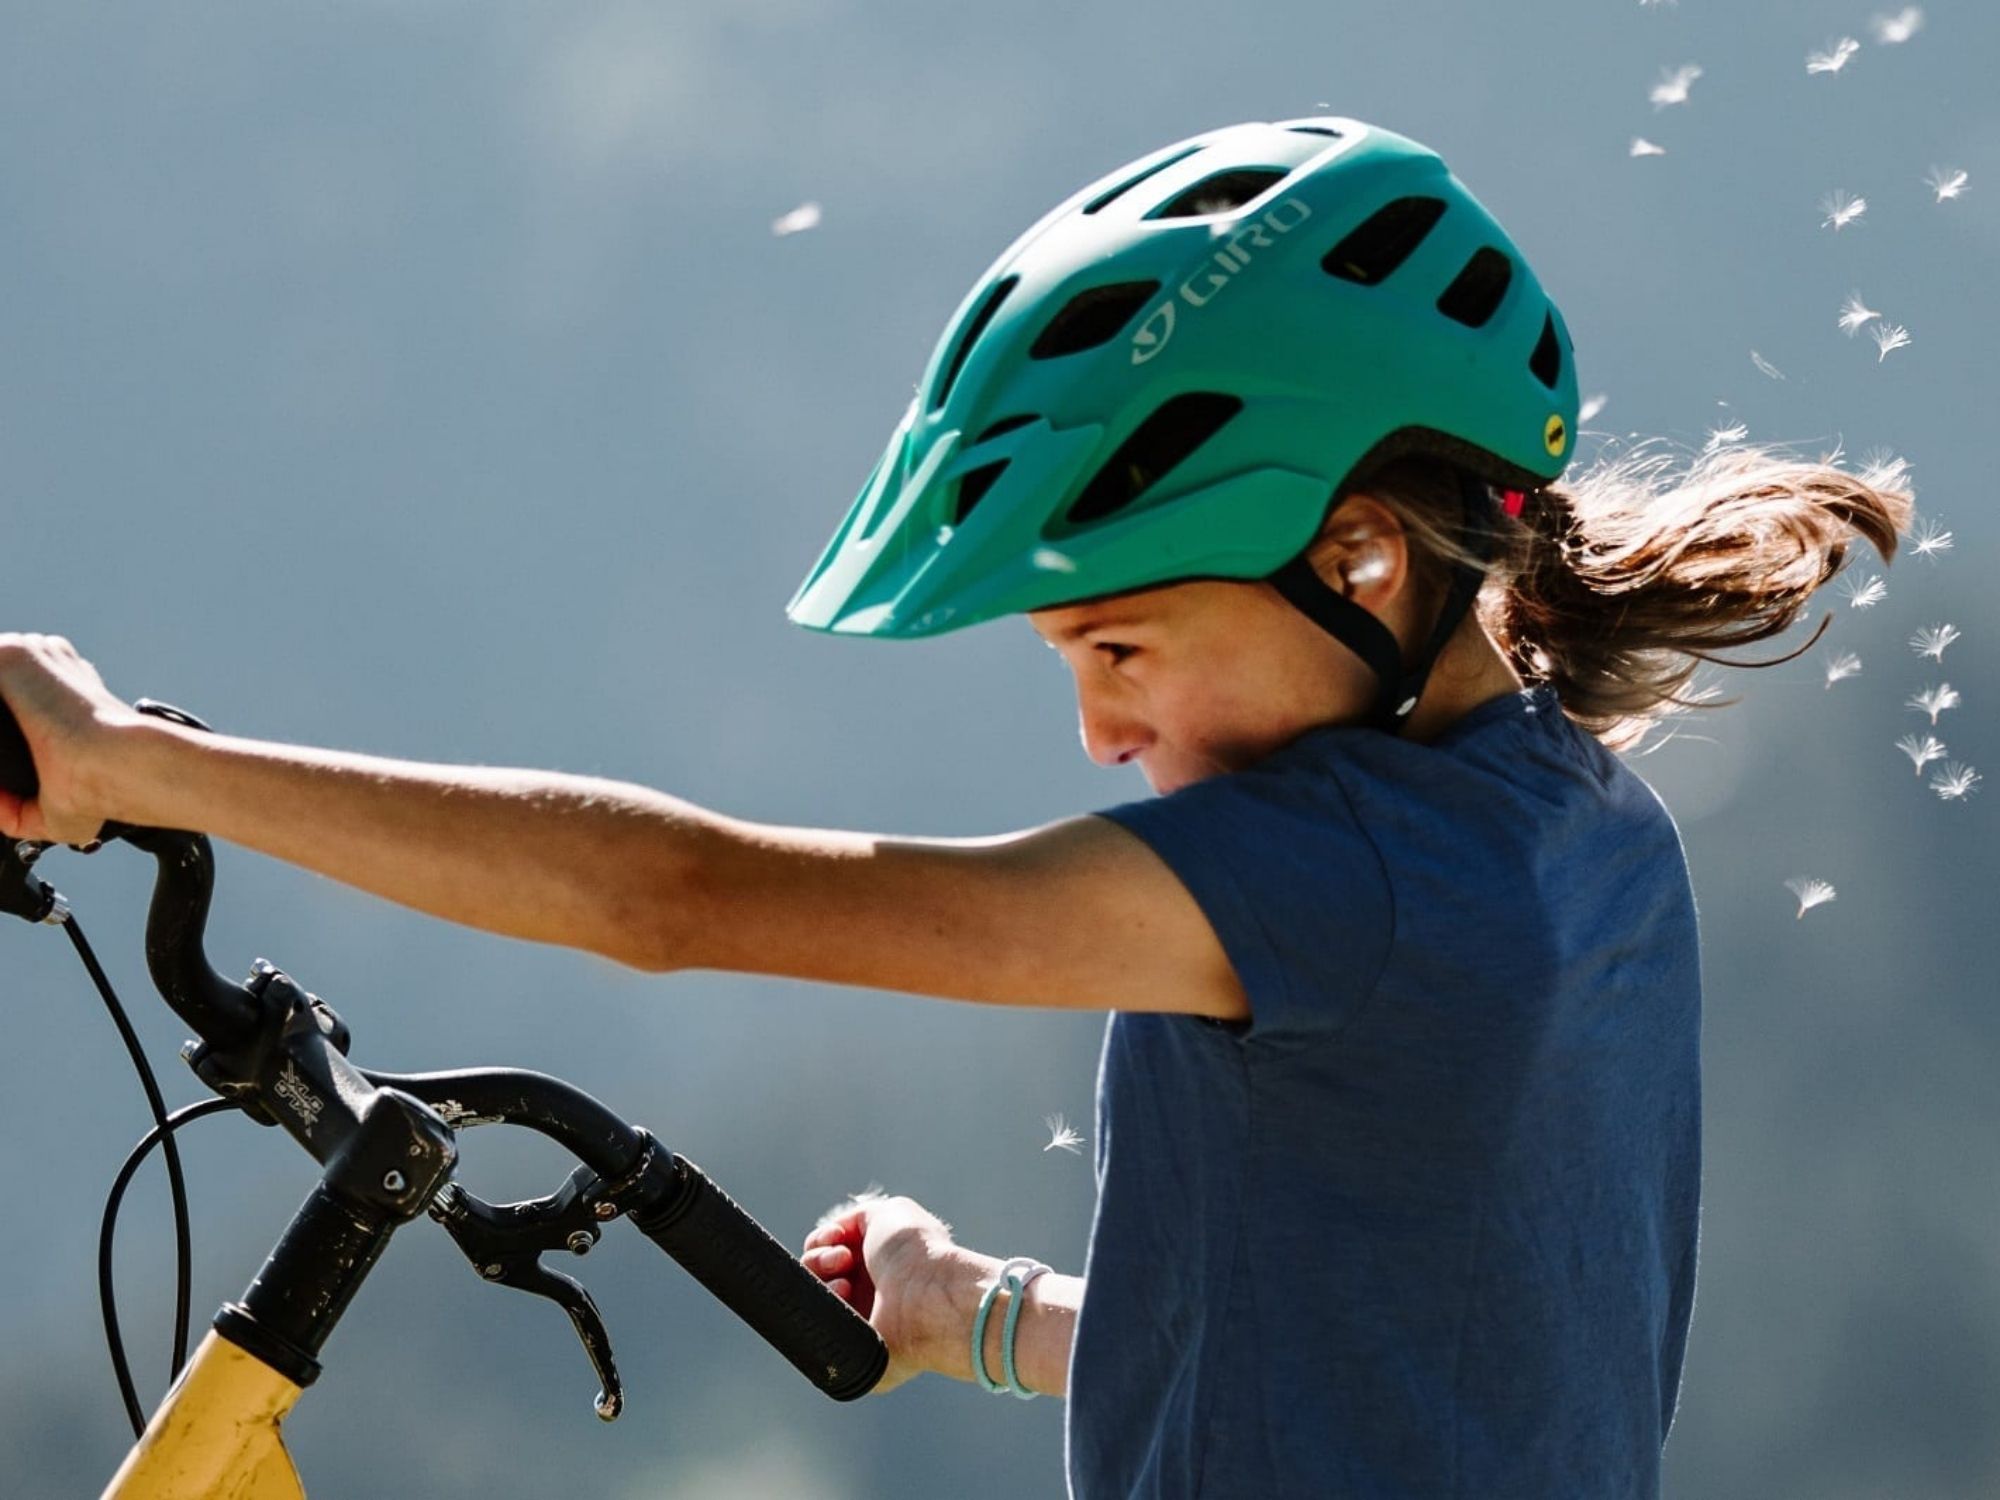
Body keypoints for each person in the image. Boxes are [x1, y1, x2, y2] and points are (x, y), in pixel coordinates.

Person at [0, 117, 1909, 1498]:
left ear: (1356, 560)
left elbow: (675, 898)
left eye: (1123, 649)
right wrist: (975, 1312)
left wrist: (124, 762)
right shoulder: (1575, 835)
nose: (1093, 730)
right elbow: (1402, 1366)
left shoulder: (1340, 878)